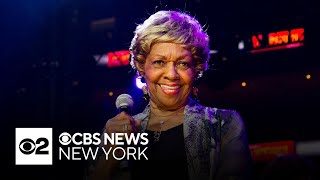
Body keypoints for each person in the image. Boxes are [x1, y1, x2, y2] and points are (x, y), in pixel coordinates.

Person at [87, 10, 252, 180]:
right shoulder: (116, 131)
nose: (172, 74)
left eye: (182, 63)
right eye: (159, 62)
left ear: (196, 69)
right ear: (142, 67)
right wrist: (109, 157)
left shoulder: (224, 125)